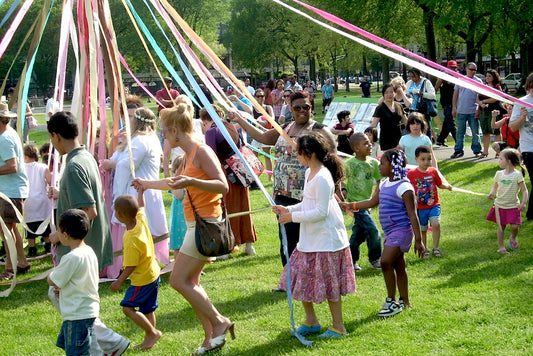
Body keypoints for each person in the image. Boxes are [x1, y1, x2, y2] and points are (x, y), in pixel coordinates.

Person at [132, 103, 235, 354]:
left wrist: (191, 180)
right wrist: (146, 184)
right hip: (195, 224)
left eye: (165, 132)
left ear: (176, 130)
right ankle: (211, 336)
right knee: (190, 282)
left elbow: (223, 186)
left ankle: (220, 322)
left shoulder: (201, 152)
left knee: (179, 281)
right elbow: (175, 183)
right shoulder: (189, 155)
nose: (164, 136)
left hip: (205, 224)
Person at [47, 111, 129, 356]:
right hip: (84, 243)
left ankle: (109, 343)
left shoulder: (73, 165)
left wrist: (60, 235)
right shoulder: (86, 157)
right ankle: (109, 344)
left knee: (68, 298)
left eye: (51, 138)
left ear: (56, 136)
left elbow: (88, 210)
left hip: (80, 244)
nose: (51, 143)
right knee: (76, 299)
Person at [228, 91, 336, 271]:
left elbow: (333, 160)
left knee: (306, 237)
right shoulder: (284, 128)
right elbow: (261, 137)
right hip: (282, 193)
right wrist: (239, 120)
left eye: (306, 107)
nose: (302, 111)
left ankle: (308, 274)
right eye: (297, 108)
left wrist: (337, 189)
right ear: (290, 109)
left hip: (307, 194)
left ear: (311, 107)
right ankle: (288, 277)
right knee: (286, 237)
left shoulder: (319, 129)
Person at [273, 132, 355, 338]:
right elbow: (309, 203)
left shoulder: (322, 177)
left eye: (298, 152)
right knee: (299, 277)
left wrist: (293, 218)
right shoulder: (311, 173)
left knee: (330, 284)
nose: (296, 156)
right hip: (311, 239)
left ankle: (339, 327)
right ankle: (311, 321)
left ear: (308, 153)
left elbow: (321, 212)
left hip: (327, 241)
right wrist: (289, 210)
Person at [340, 149, 424, 317]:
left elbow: (413, 215)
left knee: (385, 262)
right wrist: (351, 205)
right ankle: (405, 301)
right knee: (399, 265)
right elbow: (372, 201)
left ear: (393, 166)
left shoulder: (405, 187)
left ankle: (391, 301)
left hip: (402, 231)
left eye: (383, 163)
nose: (379, 166)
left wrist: (419, 240)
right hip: (390, 232)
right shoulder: (384, 183)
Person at [200, 104, 258, 255]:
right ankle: (249, 245)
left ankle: (227, 248)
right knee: (244, 207)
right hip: (241, 172)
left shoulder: (212, 131)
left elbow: (210, 158)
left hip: (226, 175)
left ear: (205, 120)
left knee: (227, 208)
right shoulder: (231, 126)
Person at [110, 188, 162, 350]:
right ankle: (150, 338)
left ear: (120, 215)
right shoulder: (139, 219)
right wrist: (140, 193)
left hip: (142, 279)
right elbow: (142, 207)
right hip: (153, 272)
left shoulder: (131, 238)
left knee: (128, 308)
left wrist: (118, 282)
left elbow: (130, 266)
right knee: (147, 308)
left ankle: (152, 333)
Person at [47, 209, 99, 356]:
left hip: (77, 315)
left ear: (65, 235)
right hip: (88, 310)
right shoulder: (89, 251)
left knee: (77, 352)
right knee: (79, 348)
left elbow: (52, 280)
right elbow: (79, 280)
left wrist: (51, 274)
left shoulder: (71, 258)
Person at [0, 101, 30, 280]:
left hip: (11, 191)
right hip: (11, 190)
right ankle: (22, 262)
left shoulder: (4, 138)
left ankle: (10, 269)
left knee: (6, 231)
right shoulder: (7, 135)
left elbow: (12, 166)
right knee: (10, 229)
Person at [344, 132, 382, 271]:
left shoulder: (373, 163)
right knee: (373, 231)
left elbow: (380, 181)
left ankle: (350, 261)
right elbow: (340, 180)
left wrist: (376, 196)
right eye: (365, 143)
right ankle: (375, 259)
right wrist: (342, 196)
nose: (370, 144)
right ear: (356, 148)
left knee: (358, 235)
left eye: (369, 142)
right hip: (355, 205)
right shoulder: (350, 164)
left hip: (368, 204)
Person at [407, 146, 452, 258]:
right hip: (420, 208)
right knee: (423, 229)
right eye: (423, 159)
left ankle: (436, 248)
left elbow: (439, 184)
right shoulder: (411, 174)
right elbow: (407, 188)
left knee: (436, 224)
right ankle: (425, 248)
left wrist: (447, 187)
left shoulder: (433, 171)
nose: (426, 162)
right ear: (416, 159)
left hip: (434, 205)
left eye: (429, 159)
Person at [486, 148, 528, 253]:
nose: (499, 161)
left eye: (501, 159)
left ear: (508, 161)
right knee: (501, 227)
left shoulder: (517, 175)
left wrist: (523, 203)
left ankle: (513, 237)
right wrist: (492, 193)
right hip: (500, 206)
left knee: (515, 226)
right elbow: (495, 187)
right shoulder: (499, 174)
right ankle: (501, 247)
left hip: (513, 206)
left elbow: (524, 190)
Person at [509, 73, 533, 220]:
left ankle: (531, 214)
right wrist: (523, 117)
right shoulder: (521, 103)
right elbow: (512, 127)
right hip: (529, 149)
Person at [23, 143, 52, 257]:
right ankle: (48, 244)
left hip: (28, 200)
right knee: (44, 224)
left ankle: (32, 248)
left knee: (30, 226)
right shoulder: (43, 167)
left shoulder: (22, 168)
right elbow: (50, 181)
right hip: (41, 199)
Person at [450, 62, 483, 158]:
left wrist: (478, 108)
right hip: (461, 111)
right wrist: (454, 107)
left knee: (475, 132)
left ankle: (477, 150)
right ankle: (458, 150)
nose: (473, 71)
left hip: (473, 110)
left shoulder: (478, 81)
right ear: (467, 69)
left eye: (475, 70)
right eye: (471, 69)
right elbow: (455, 94)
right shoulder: (460, 80)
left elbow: (480, 96)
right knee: (460, 132)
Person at [476, 69, 505, 158]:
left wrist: (484, 101)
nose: (487, 78)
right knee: (485, 132)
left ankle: (499, 151)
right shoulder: (483, 86)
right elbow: (477, 97)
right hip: (483, 111)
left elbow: (496, 97)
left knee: (496, 131)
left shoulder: (497, 86)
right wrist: (480, 103)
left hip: (495, 111)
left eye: (489, 76)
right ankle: (485, 152)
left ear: (494, 77)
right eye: (486, 76)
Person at [370, 84, 407, 151]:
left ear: (395, 93)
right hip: (386, 140)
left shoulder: (399, 106)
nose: (389, 94)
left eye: (391, 92)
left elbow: (406, 121)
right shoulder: (380, 108)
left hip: (399, 138)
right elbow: (374, 125)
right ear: (383, 95)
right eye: (386, 92)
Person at [405, 68, 436, 139]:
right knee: (412, 129)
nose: (412, 78)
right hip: (412, 109)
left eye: (414, 76)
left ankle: (427, 145)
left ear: (419, 75)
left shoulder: (426, 82)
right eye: (411, 76)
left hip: (423, 109)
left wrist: (422, 94)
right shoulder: (409, 83)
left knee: (426, 129)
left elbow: (432, 95)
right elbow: (405, 92)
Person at [435, 60, 459, 146]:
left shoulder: (457, 77)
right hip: (446, 102)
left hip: (455, 102)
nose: (453, 69)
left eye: (455, 68)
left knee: (447, 122)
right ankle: (458, 141)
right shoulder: (443, 77)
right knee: (451, 122)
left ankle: (440, 139)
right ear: (447, 68)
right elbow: (436, 88)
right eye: (451, 67)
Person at [168, 155, 187, 259]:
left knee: (186, 243)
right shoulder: (175, 184)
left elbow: (179, 195)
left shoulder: (185, 184)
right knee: (179, 244)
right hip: (179, 217)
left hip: (185, 217)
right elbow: (178, 195)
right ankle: (177, 264)